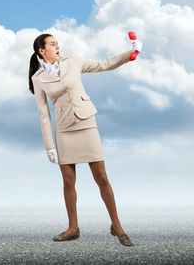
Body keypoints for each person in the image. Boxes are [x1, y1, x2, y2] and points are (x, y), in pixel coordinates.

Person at [28, 33, 143, 247]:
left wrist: (131, 53)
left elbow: (103, 64)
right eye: (52, 44)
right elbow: (43, 114)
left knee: (101, 176)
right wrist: (49, 146)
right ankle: (73, 228)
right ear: (41, 51)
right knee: (69, 181)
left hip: (86, 122)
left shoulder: (72, 61)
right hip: (63, 129)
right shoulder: (38, 79)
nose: (57, 47)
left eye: (57, 43)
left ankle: (117, 226)